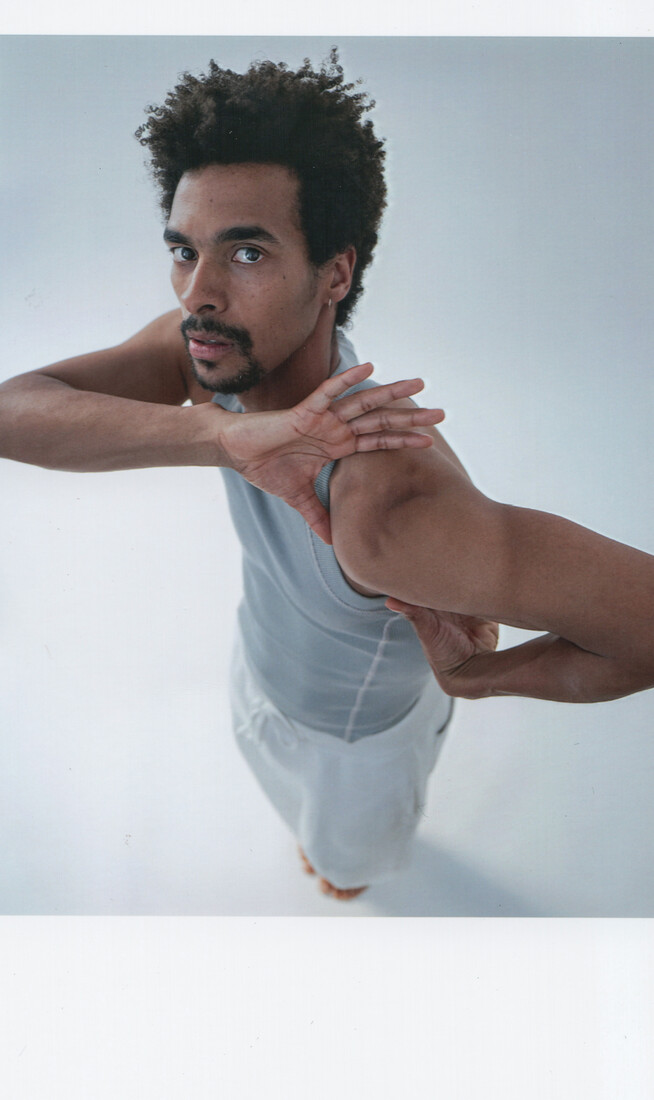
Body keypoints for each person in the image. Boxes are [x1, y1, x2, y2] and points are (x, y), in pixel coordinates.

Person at [1, 52, 653, 901]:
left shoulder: (388, 506)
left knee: (343, 872)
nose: (197, 292)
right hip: (262, 665)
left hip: (355, 750)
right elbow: (16, 409)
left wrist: (479, 680)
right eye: (183, 249)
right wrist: (232, 440)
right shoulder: (210, 355)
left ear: (335, 273)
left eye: (245, 254)